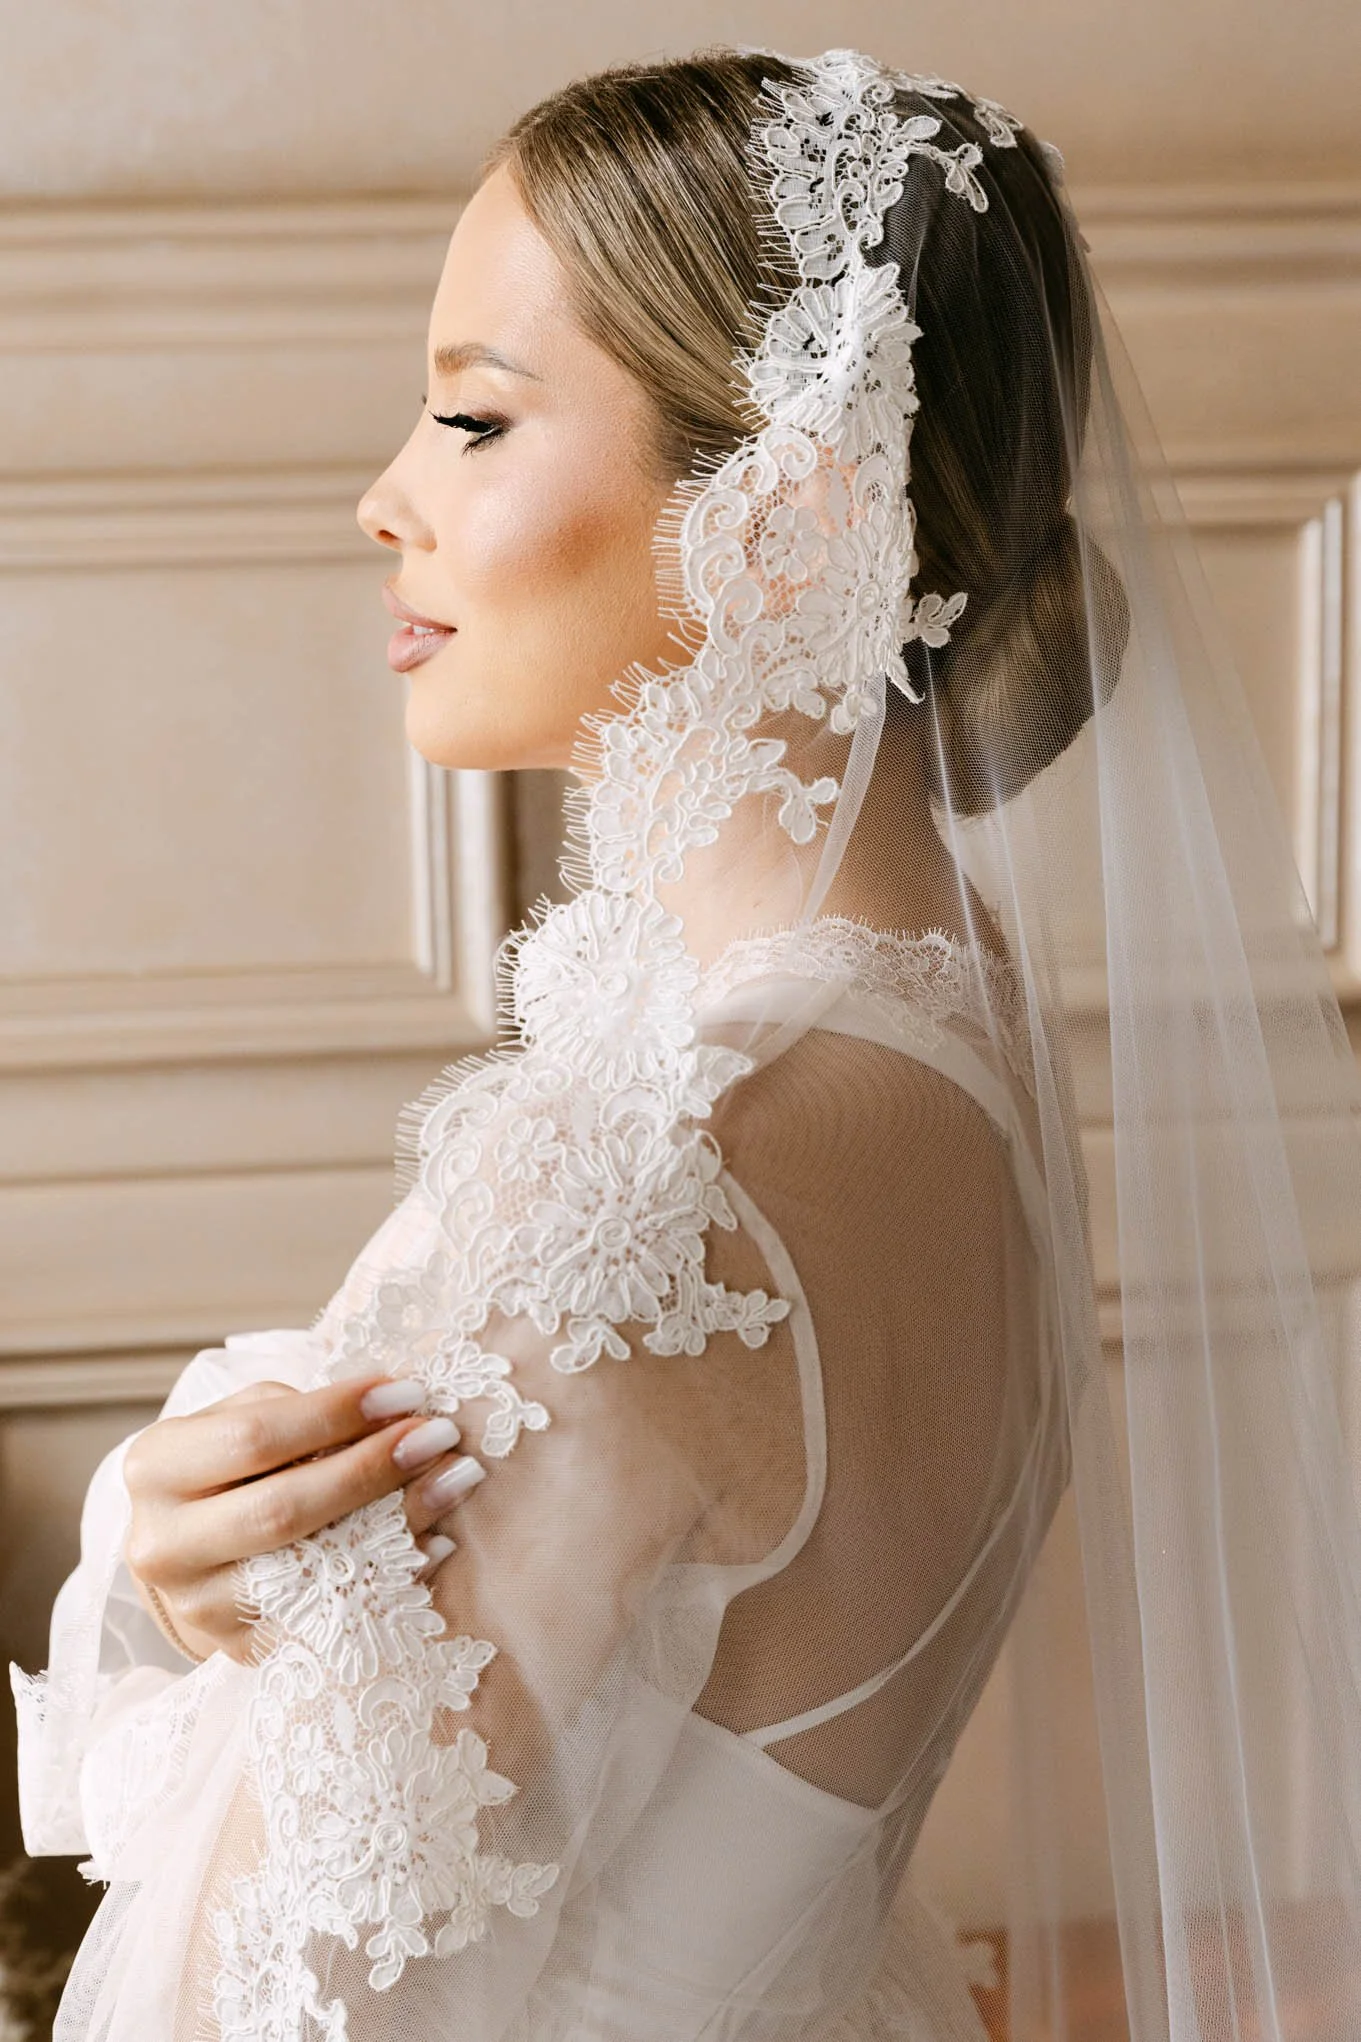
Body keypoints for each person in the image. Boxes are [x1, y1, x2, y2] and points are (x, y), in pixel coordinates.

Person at [12, 43, 1361, 2042]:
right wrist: (204, 1577)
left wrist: (172, 1588)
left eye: (472, 416)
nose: (383, 496)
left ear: (787, 515)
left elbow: (258, 2010)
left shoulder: (637, 1183)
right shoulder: (953, 1019)